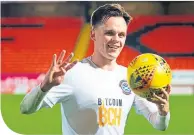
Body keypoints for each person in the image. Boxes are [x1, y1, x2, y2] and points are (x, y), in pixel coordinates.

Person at [20, 3, 170, 135]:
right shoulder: (72, 74)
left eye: (122, 35)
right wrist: (45, 86)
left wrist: (163, 112)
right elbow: (26, 108)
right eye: (109, 33)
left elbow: (159, 124)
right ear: (93, 34)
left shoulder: (130, 77)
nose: (116, 40)